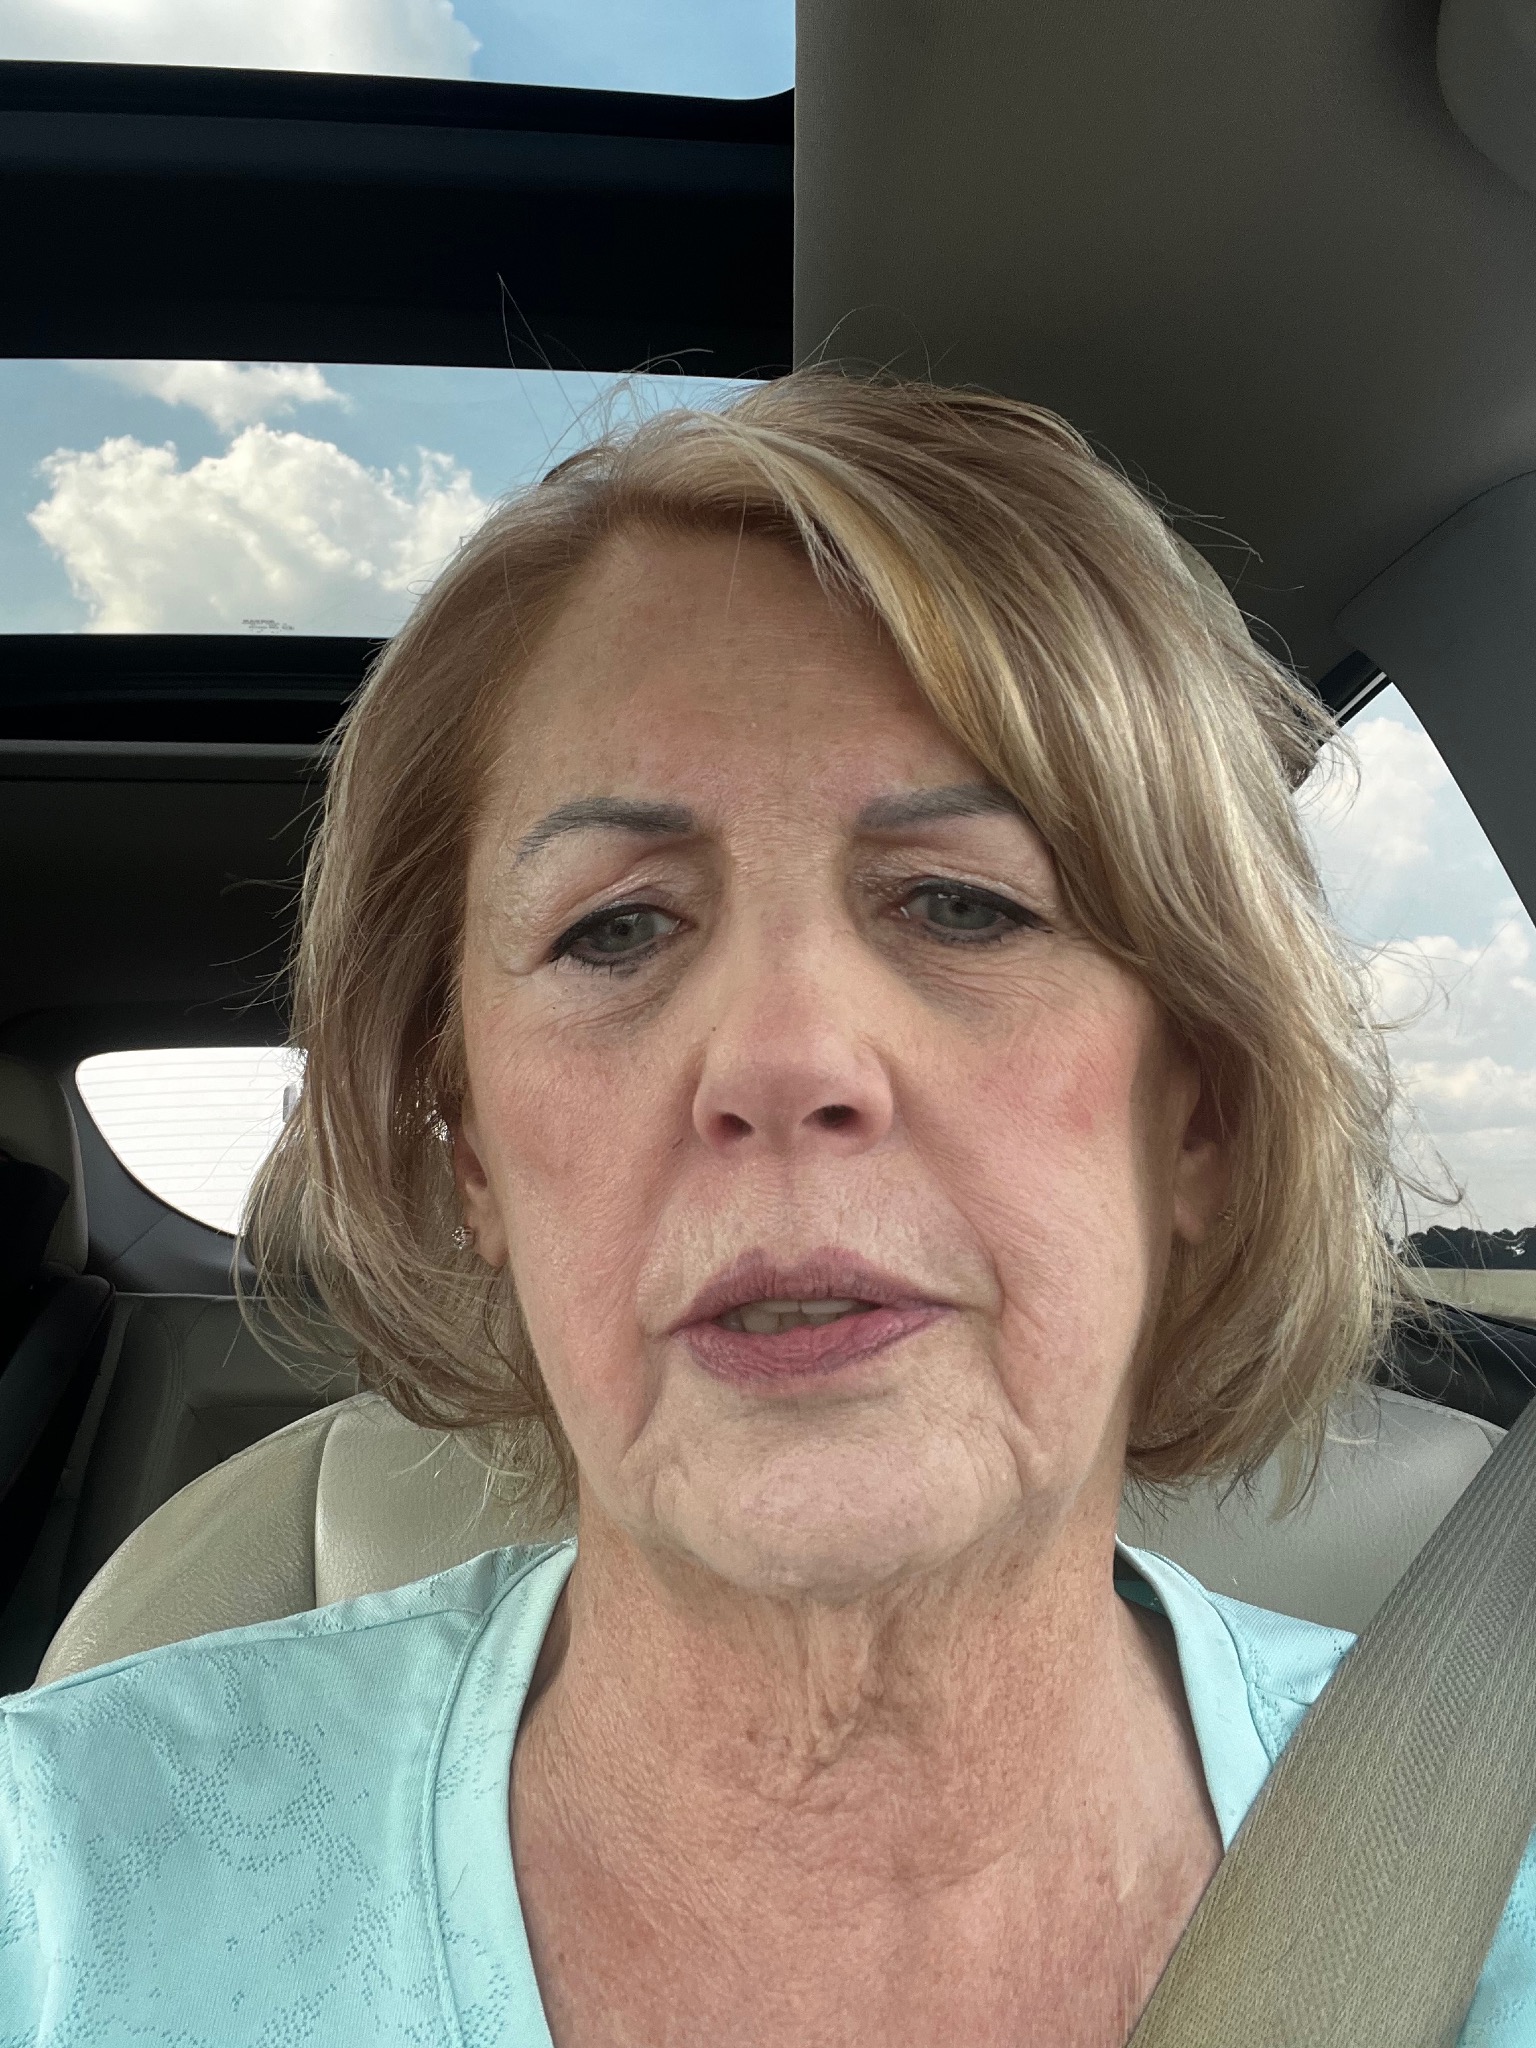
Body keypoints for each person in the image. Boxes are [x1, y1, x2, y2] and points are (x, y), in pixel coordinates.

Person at [2, 372, 1531, 2046]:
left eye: (963, 905)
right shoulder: (49, 1891)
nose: (785, 1058)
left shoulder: (1496, 1878)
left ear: (1204, 1118)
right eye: (615, 929)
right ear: (473, 1155)